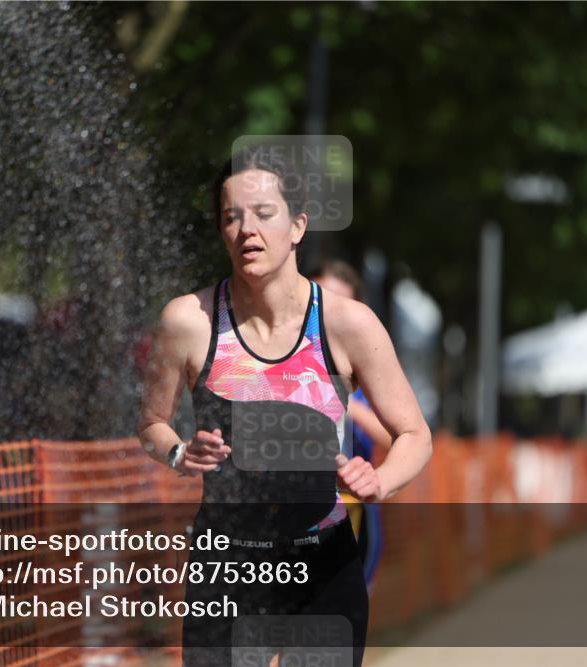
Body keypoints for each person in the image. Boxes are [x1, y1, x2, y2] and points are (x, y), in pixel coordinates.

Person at [138, 146, 432, 667]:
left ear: (298, 225)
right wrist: (181, 453)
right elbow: (152, 424)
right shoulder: (189, 321)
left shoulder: (348, 324)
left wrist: (381, 481)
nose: (246, 229)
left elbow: (414, 434)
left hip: (322, 563)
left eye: (263, 214)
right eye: (231, 217)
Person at [311, 259, 392, 589]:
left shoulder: (363, 378)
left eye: (340, 303)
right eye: (319, 300)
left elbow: (395, 437)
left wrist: (348, 408)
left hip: (353, 518)